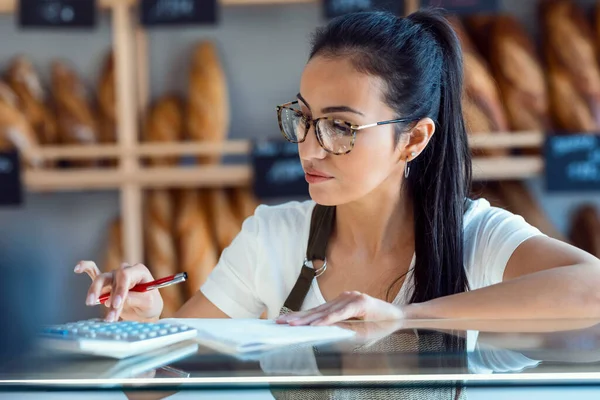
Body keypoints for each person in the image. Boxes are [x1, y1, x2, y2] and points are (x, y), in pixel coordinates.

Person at [77, 9, 600, 326]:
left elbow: (593, 287)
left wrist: (404, 318)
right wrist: (143, 329)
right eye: (302, 119)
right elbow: (158, 390)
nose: (309, 148)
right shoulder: (272, 239)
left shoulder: (476, 237)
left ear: (413, 139)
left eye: (340, 127)